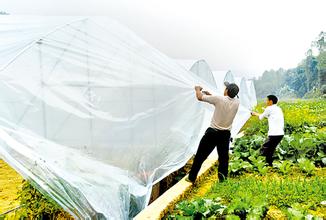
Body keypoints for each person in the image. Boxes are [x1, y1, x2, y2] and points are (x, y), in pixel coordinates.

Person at [186, 82, 240, 183]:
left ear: (227, 91)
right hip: (225, 135)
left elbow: (199, 97)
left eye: (225, 88)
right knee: (223, 159)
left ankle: (191, 178)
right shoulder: (237, 102)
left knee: (200, 156)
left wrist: (197, 89)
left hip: (212, 133)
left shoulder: (219, 99)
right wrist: (210, 95)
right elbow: (221, 101)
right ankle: (223, 180)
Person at [251, 95, 284, 166]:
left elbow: (261, 117)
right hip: (280, 134)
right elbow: (267, 116)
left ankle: (257, 162)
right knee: (271, 149)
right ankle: (269, 164)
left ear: (271, 101)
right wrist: (261, 113)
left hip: (273, 134)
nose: (266, 102)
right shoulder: (278, 108)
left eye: (267, 100)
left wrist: (254, 113)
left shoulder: (269, 108)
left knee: (264, 148)